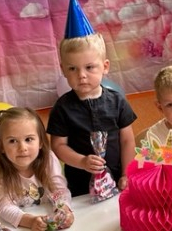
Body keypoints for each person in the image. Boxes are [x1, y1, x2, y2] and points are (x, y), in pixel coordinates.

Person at [48, 32, 136, 196]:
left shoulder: (118, 102)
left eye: (89, 67)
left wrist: (126, 173)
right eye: (72, 68)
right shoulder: (62, 108)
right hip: (80, 185)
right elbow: (58, 146)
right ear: (63, 70)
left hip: (117, 180)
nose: (81, 75)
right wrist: (81, 161)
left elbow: (127, 140)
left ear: (105, 66)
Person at [0, 107, 73, 231]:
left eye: (28, 139)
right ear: (1, 146)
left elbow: (59, 190)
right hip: (17, 228)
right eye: (12, 141)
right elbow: (5, 206)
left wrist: (63, 210)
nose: (22, 148)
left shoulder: (49, 159)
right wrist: (30, 221)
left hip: (47, 220)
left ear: (40, 141)